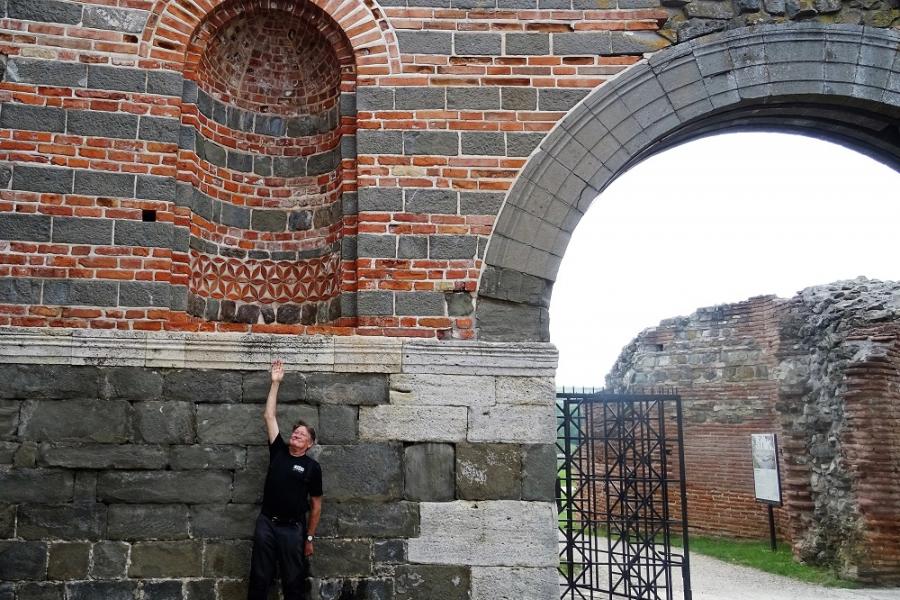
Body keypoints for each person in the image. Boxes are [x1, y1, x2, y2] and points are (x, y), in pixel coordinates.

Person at [247, 359, 323, 600]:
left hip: (293, 529)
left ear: (309, 444)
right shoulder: (278, 450)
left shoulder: (312, 467)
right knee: (259, 577)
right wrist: (275, 383)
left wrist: (309, 537)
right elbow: (269, 416)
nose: (296, 434)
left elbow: (316, 506)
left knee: (293, 580)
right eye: (295, 432)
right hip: (267, 523)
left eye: (302, 434)